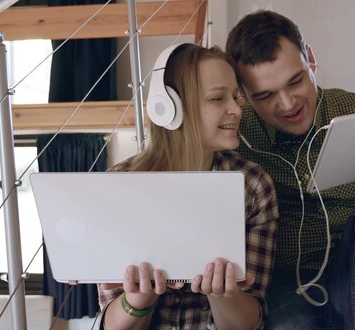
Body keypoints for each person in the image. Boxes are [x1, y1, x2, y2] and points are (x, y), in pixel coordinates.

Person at [226, 10, 355, 330]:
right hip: (282, 285)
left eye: (295, 81)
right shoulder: (235, 136)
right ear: (243, 94)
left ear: (310, 58)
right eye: (265, 95)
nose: (288, 104)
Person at [97, 44, 278, 330]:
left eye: (235, 96)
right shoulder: (118, 186)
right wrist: (139, 298)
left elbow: (249, 323)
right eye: (218, 98)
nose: (236, 109)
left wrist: (222, 295)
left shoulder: (253, 185)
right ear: (168, 107)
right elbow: (112, 324)